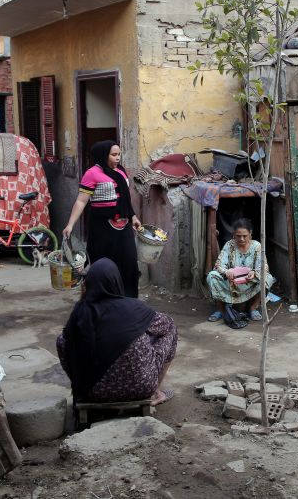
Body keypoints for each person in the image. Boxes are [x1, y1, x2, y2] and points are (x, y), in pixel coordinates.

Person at [56, 258, 177, 407]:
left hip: (91, 392)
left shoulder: (80, 313)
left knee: (63, 340)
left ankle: (84, 385)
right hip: (140, 389)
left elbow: (63, 342)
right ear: (116, 282)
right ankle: (156, 392)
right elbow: (167, 324)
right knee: (168, 328)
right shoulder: (134, 308)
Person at [63, 140, 142, 297]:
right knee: (103, 264)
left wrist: (133, 217)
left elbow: (126, 198)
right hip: (101, 229)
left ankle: (128, 299)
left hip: (123, 226)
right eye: (113, 155)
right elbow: (81, 201)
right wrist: (70, 225)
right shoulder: (92, 174)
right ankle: (103, 298)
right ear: (103, 155)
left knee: (129, 262)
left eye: (119, 154)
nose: (118, 158)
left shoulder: (121, 171)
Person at [206, 218, 275, 322]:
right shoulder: (229, 245)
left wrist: (254, 273)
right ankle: (221, 310)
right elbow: (219, 265)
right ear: (234, 234)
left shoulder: (257, 246)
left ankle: (253, 308)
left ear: (250, 234)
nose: (242, 239)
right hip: (231, 282)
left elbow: (263, 266)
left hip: (249, 281)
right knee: (212, 275)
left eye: (245, 236)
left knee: (268, 277)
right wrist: (226, 271)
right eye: (238, 236)